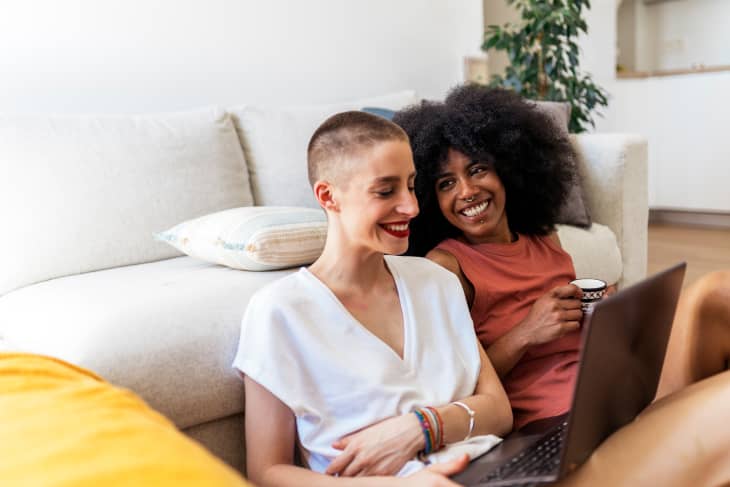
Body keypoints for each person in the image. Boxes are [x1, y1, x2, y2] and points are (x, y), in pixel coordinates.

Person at [394, 84, 730, 429]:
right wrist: (526, 333)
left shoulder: (545, 239)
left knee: (718, 300)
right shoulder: (447, 267)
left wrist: (608, 316)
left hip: (615, 385)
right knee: (714, 302)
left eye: (478, 169)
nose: (466, 191)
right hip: (561, 421)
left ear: (507, 168)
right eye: (446, 183)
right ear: (429, 198)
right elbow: (454, 385)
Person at [234, 110, 513, 486]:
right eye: (386, 191)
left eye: (411, 186)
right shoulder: (280, 312)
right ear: (328, 196)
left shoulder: (436, 281)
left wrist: (421, 427)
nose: (412, 207)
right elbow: (267, 473)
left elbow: (499, 410)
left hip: (497, 471)